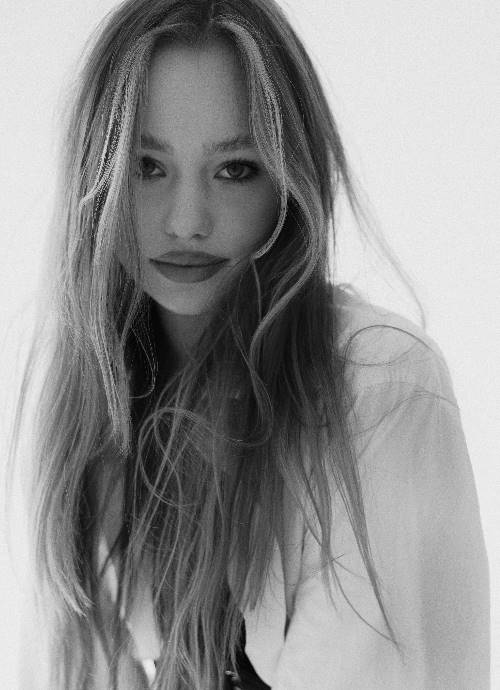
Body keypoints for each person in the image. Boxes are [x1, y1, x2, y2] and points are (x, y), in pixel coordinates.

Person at [9, 0, 489, 688]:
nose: (187, 221)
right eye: (146, 166)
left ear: (289, 181)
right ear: (97, 177)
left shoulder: (379, 384)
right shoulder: (83, 392)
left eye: (235, 169)